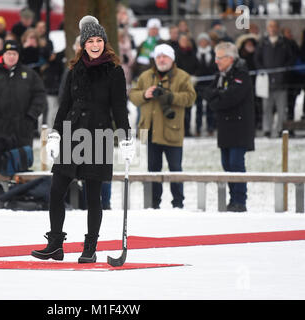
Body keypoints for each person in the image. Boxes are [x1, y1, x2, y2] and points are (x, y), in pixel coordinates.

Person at [31, 16, 132, 263]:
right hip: (72, 134)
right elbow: (65, 104)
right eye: (90, 41)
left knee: (93, 195)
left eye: (99, 40)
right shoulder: (75, 69)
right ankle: (55, 243)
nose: (95, 45)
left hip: (98, 136)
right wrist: (55, 133)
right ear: (83, 44)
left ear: (104, 43)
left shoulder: (115, 72)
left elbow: (119, 108)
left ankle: (90, 247)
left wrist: (126, 138)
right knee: (56, 191)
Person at [129, 44, 196, 209]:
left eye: (165, 56)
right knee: (153, 169)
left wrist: (170, 97)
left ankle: (178, 203)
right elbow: (132, 95)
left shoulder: (182, 76)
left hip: (172, 130)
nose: (161, 59)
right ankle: (153, 203)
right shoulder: (145, 76)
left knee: (175, 169)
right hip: (150, 131)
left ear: (172, 59)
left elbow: (190, 98)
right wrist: (145, 94)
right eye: (158, 56)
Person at [0, 40, 47, 171]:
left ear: (18, 56)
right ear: (3, 55)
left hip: (22, 130)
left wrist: (31, 116)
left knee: (21, 168)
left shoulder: (29, 74)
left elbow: (40, 95)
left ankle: (19, 191)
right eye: (8, 53)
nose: (11, 57)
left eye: (14, 53)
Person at [203, 42, 255, 212]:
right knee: (226, 164)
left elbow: (232, 97)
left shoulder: (241, 74)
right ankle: (232, 200)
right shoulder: (220, 75)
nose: (216, 61)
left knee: (236, 164)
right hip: (225, 129)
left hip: (240, 128)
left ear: (230, 58)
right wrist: (218, 96)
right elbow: (207, 94)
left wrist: (217, 97)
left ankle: (240, 201)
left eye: (219, 58)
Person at [254, 20, 293, 137]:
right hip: (266, 81)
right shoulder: (262, 42)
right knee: (266, 107)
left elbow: (291, 58)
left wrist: (284, 70)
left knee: (281, 107)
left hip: (281, 81)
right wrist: (263, 71)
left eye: (275, 26)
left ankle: (281, 128)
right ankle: (267, 129)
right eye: (270, 26)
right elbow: (257, 59)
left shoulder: (284, 42)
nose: (273, 28)